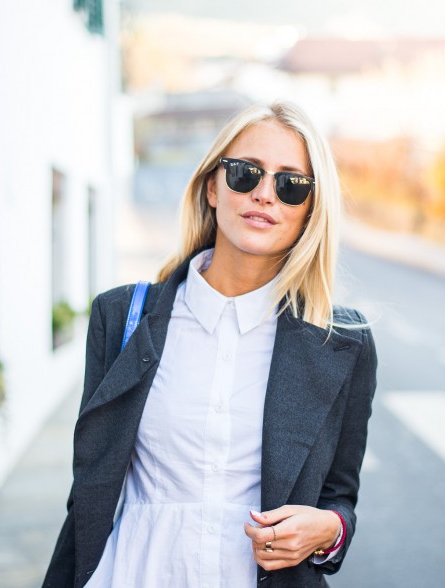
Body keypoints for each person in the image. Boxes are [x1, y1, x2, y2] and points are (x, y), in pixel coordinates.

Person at [43, 101, 378, 588]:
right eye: (245, 173)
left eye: (291, 185)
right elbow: (89, 487)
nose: (265, 194)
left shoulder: (342, 344)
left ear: (310, 210)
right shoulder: (121, 318)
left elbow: (339, 499)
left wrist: (329, 530)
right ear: (213, 188)